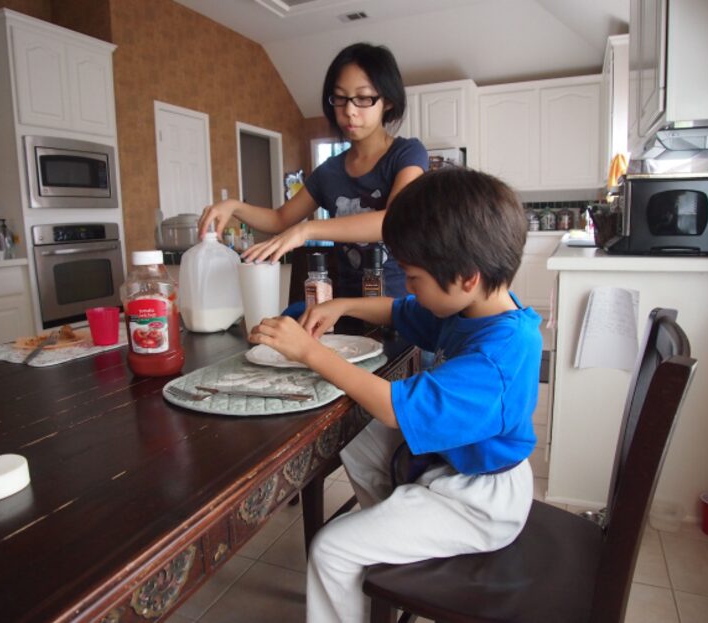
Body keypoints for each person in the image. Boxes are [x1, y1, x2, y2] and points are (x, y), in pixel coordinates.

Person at [249, 167, 543, 622]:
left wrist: (309, 351)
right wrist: (342, 305)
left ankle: (379, 538)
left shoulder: (497, 360)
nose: (407, 287)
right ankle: (388, 527)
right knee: (352, 431)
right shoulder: (473, 307)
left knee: (331, 550)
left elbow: (391, 408)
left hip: (479, 501)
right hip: (455, 468)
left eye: (413, 277)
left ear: (465, 276)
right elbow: (398, 310)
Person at [197, 42, 428, 298]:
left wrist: (306, 230)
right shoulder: (329, 172)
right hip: (346, 304)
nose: (350, 111)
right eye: (340, 98)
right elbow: (280, 219)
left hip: (401, 304)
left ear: (388, 102)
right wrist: (235, 206)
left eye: (363, 98)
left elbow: (392, 221)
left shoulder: (407, 154)